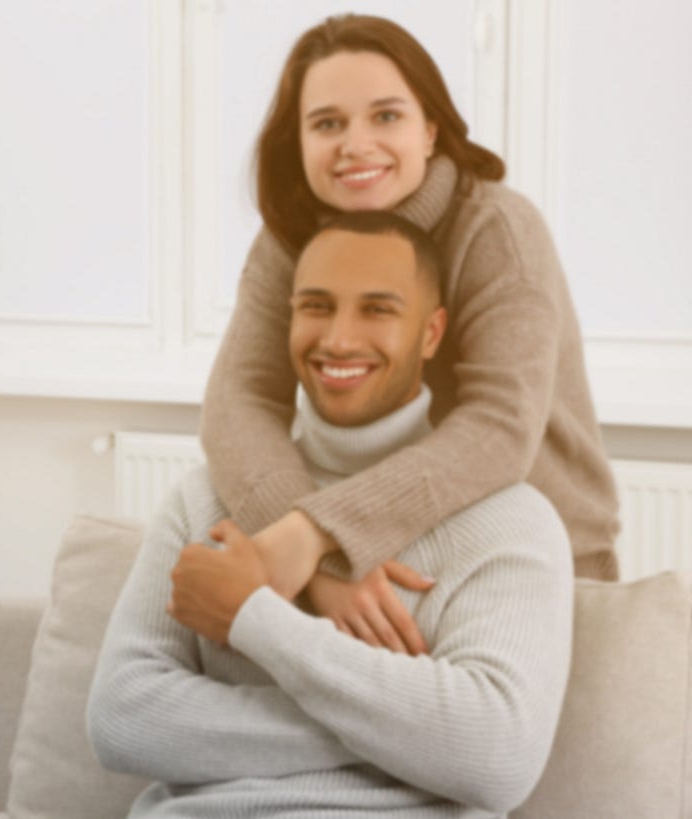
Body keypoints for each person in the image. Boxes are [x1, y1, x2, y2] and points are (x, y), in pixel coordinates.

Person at [88, 211, 574, 817]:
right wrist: (408, 738)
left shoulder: (511, 522)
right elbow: (122, 719)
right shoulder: (204, 499)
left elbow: (497, 757)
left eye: (377, 309)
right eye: (316, 305)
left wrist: (252, 616)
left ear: (431, 333)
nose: (339, 339)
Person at [200, 14, 617, 656]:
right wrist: (316, 558)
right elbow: (237, 404)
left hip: (533, 556)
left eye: (386, 117)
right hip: (378, 549)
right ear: (298, 143)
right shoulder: (289, 241)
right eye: (328, 123)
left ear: (430, 130)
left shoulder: (497, 230)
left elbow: (500, 426)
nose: (356, 144)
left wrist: (315, 534)